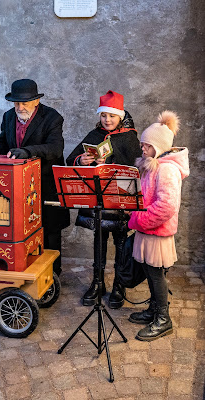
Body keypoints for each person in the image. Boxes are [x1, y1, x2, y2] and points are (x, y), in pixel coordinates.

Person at [66, 90, 141, 308]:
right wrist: (82, 160)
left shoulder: (129, 137)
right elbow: (72, 159)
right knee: (99, 240)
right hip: (98, 199)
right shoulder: (94, 135)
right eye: (103, 116)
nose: (107, 120)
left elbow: (136, 168)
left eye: (112, 116)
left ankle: (119, 284)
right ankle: (98, 282)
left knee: (119, 242)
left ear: (120, 116)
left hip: (120, 201)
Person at [0, 78, 70, 276]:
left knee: (50, 232)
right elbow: (2, 141)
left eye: (24, 102)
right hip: (19, 187)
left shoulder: (52, 118)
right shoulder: (9, 117)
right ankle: (28, 272)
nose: (19, 107)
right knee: (23, 231)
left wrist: (27, 152)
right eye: (16, 102)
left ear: (36, 101)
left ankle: (53, 275)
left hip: (46, 184)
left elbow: (55, 149)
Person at [128, 111, 189, 341]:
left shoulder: (167, 169)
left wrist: (139, 220)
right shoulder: (152, 165)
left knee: (156, 276)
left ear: (159, 146)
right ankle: (154, 310)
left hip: (156, 232)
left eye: (147, 145)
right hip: (147, 230)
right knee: (149, 271)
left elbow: (166, 206)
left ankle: (164, 320)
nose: (142, 149)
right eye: (143, 145)